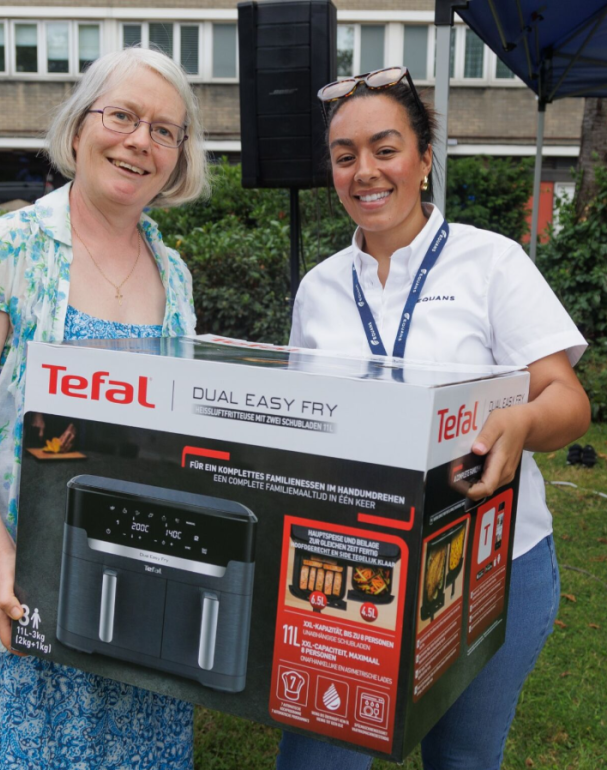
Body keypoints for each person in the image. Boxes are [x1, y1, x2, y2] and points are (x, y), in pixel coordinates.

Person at [279, 67, 590, 770]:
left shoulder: (492, 263)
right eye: (345, 155)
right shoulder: (319, 289)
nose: (366, 172)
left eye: (385, 149)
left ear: (423, 159)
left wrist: (521, 424)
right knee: (319, 756)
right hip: (348, 568)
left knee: (463, 761)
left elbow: (568, 401)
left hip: (488, 564)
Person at [0, 47, 208, 769]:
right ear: (79, 128)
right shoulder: (1, 250)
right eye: (123, 116)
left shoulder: (173, 271)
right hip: (17, 585)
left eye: (165, 130)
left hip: (139, 588)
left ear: (177, 157)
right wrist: (2, 556)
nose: (141, 140)